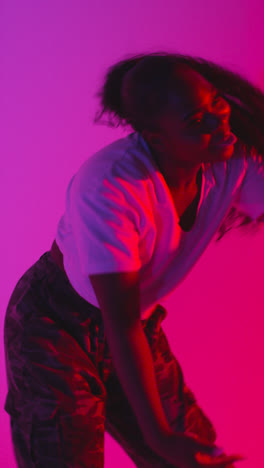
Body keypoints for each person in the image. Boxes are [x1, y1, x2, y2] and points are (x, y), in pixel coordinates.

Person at [5, 50, 264, 467]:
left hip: (133, 323)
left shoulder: (233, 158)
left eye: (217, 101)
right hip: (54, 326)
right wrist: (159, 438)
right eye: (197, 122)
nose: (220, 123)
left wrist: (167, 440)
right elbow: (120, 323)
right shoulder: (111, 188)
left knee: (197, 456)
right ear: (156, 138)